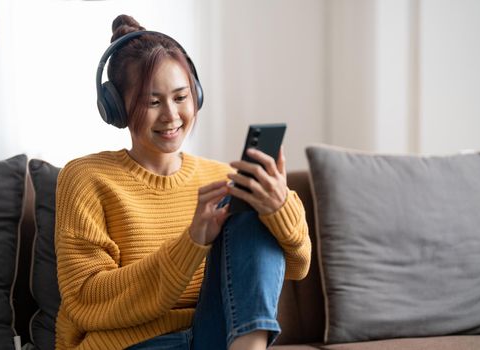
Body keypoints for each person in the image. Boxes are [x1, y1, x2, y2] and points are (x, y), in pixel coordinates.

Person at [54, 14, 311, 350]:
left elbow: (298, 265)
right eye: (153, 101)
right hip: (133, 343)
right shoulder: (86, 178)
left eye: (180, 97)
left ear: (197, 95)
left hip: (216, 338)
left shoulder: (220, 179)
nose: (171, 116)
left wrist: (278, 207)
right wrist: (192, 243)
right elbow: (86, 301)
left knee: (249, 206)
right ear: (116, 108)